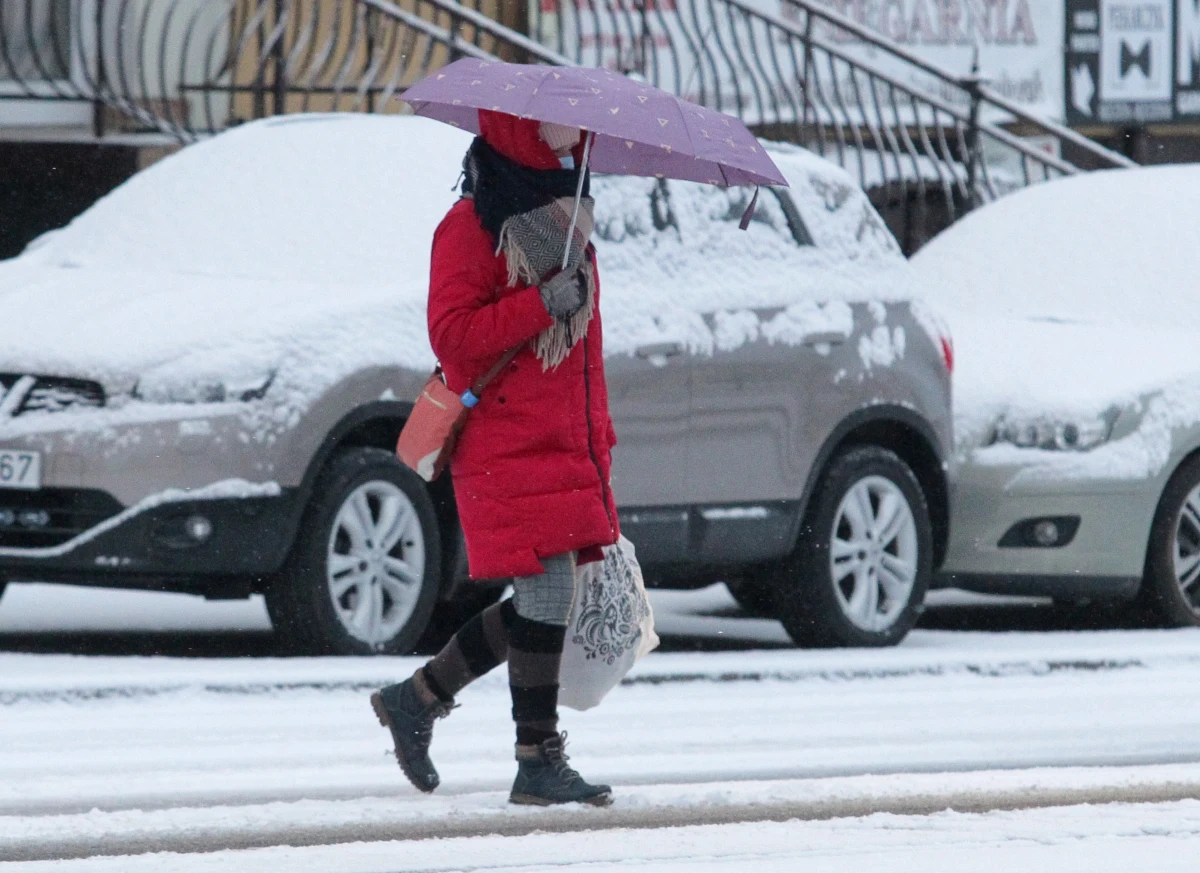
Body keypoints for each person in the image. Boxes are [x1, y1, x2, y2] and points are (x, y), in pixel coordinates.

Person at [371, 110, 619, 807]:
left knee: (543, 600)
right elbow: (454, 337)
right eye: (556, 131)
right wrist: (539, 303)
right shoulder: (471, 226)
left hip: (562, 442)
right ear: (518, 135)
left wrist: (601, 442)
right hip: (502, 442)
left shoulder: (572, 227)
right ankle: (535, 757)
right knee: (545, 597)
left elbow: (580, 363)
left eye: (575, 133)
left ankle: (417, 698)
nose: (572, 140)